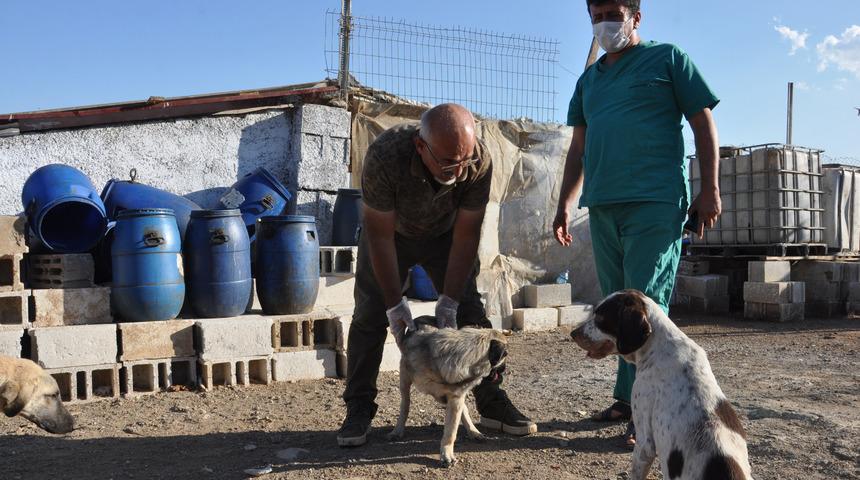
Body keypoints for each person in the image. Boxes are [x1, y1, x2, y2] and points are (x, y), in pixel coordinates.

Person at [552, 0, 721, 447]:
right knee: (617, 313)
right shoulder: (589, 80)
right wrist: (566, 202)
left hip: (655, 199)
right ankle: (628, 402)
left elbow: (703, 121)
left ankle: (647, 410)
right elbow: (577, 150)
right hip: (604, 204)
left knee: (645, 304)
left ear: (635, 16)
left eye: (613, 10)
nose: (604, 21)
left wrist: (710, 189)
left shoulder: (668, 59)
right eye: (596, 13)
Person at [338, 103, 537, 447]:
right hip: (391, 236)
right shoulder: (385, 156)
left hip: (446, 236)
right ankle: (358, 408)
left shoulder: (477, 162)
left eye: (466, 160)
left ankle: (491, 400)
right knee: (369, 315)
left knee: (471, 313)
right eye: (448, 162)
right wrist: (393, 304)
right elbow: (379, 236)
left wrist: (450, 300)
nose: (459, 171)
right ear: (421, 146)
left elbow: (467, 233)